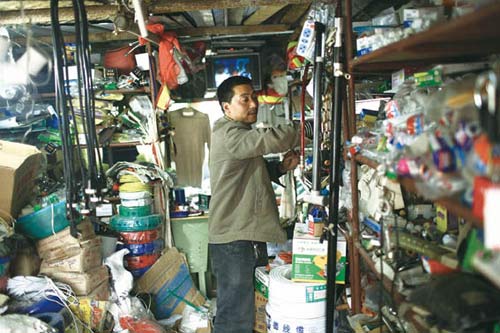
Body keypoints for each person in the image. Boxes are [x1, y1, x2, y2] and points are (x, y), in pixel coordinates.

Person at [208, 76, 300, 333]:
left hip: (242, 235)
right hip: (233, 239)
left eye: (254, 98)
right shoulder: (230, 134)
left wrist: (281, 167)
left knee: (247, 307)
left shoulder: (239, 135)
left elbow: (249, 174)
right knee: (235, 313)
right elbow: (270, 140)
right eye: (244, 99)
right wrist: (304, 130)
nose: (253, 104)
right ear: (227, 107)